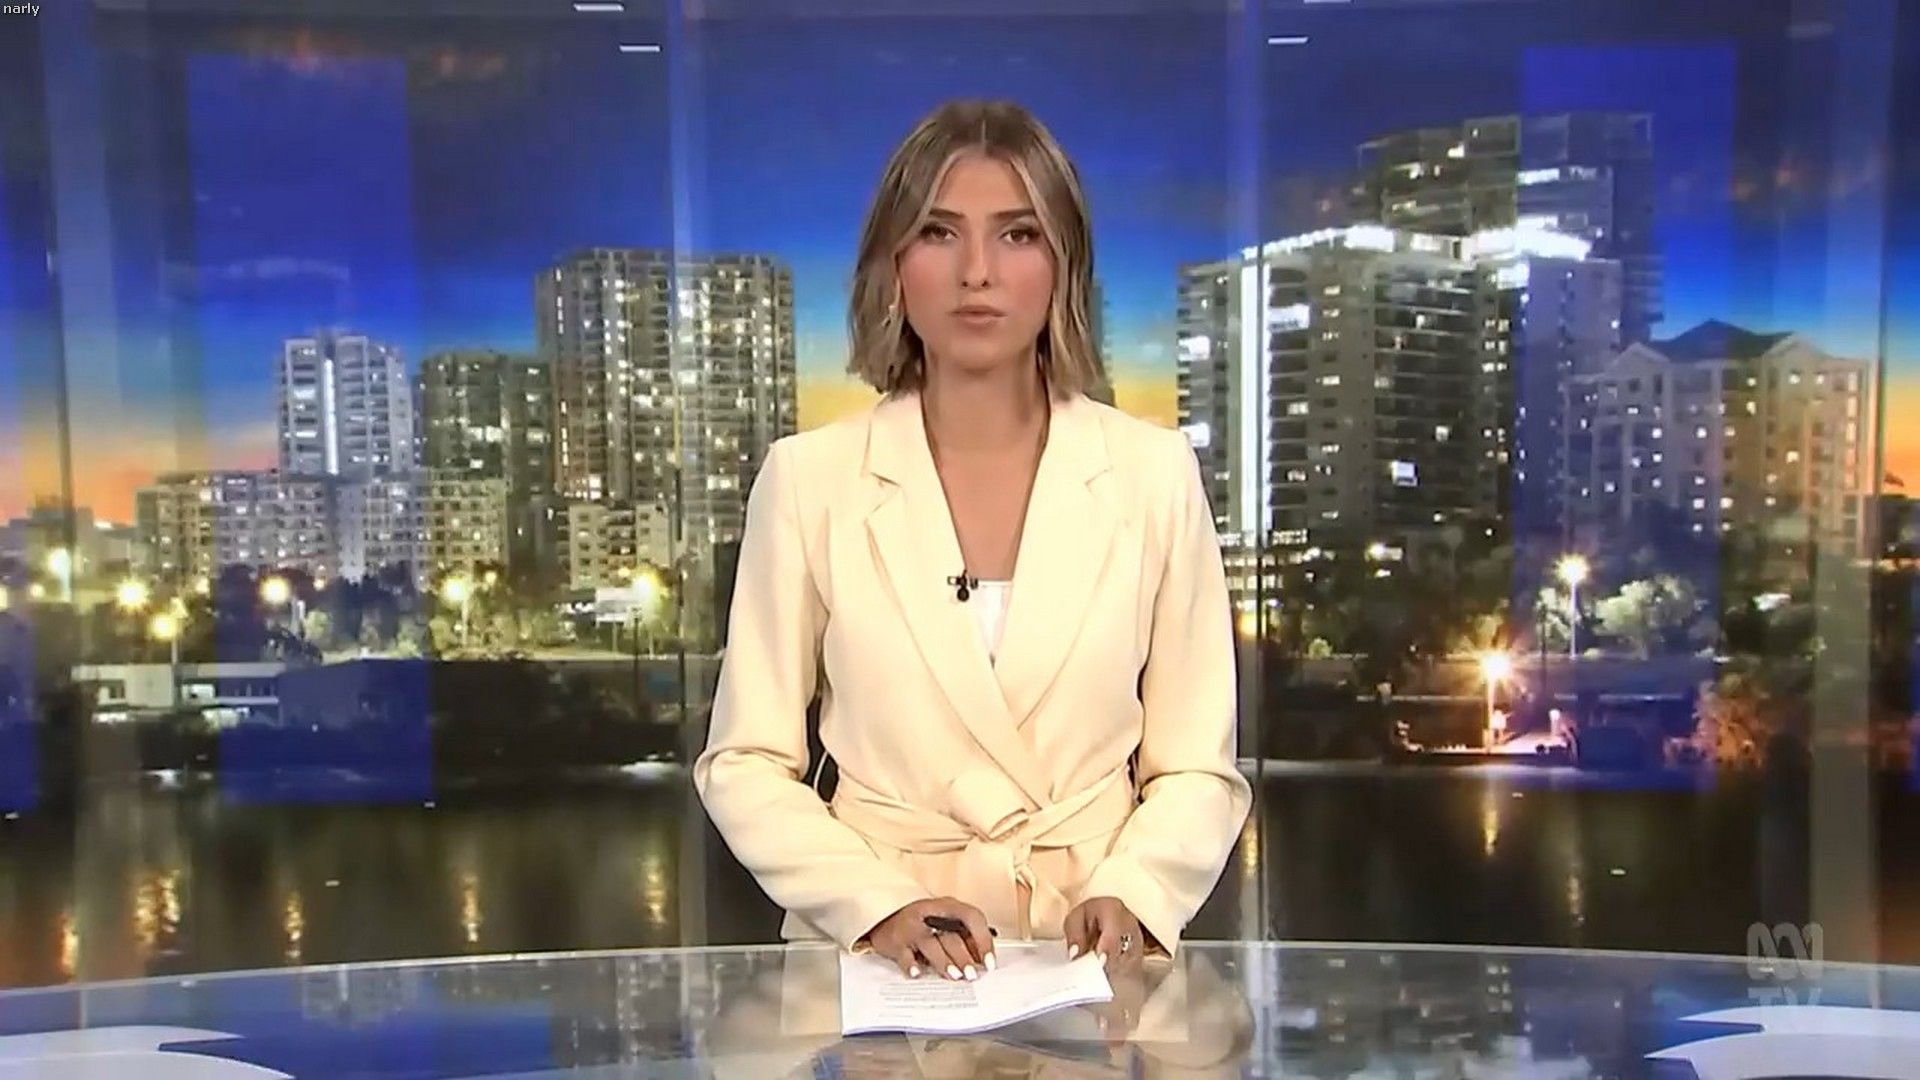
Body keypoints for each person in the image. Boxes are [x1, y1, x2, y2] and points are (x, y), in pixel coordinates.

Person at [693, 99, 1250, 985]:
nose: (977, 272)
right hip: (874, 966)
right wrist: (875, 906)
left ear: (1064, 266)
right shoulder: (809, 481)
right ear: (893, 265)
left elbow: (1196, 768)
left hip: (1088, 961)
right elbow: (746, 762)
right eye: (939, 233)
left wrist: (1139, 891)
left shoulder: (1154, 475)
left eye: (1018, 235)